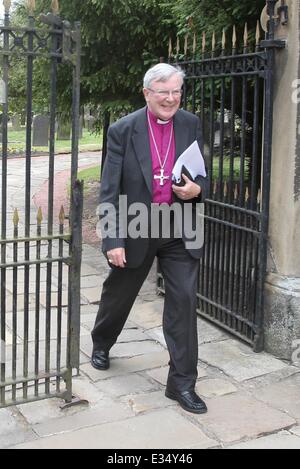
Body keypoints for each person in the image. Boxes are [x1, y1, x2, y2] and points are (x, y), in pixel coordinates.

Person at [91, 63, 209, 414]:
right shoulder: (123, 130)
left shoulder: (190, 123)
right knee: (119, 294)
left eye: (176, 92)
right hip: (136, 226)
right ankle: (102, 341)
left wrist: (197, 189)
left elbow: (204, 172)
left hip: (178, 225)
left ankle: (182, 383)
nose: (171, 99)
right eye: (163, 92)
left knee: (184, 302)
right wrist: (112, 239)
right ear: (147, 93)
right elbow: (109, 189)